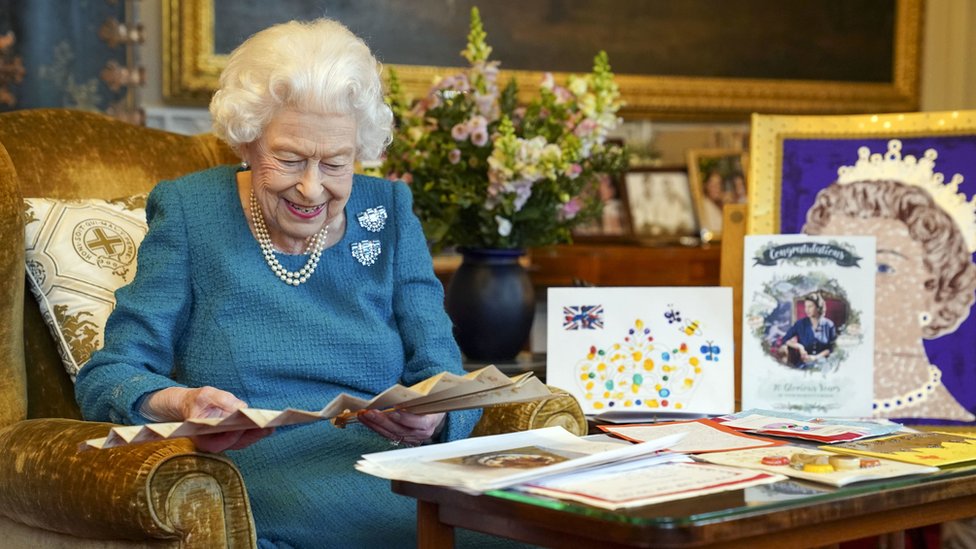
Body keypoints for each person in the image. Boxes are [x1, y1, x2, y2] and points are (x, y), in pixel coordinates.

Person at [74, 19, 484, 548]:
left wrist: (434, 418)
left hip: (394, 467)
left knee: (539, 524)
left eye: (336, 163)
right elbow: (109, 376)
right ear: (246, 141)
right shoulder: (190, 211)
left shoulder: (390, 211)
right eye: (289, 159)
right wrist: (180, 403)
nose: (312, 188)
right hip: (266, 477)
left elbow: (445, 369)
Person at [803, 143, 975, 422]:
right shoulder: (789, 409)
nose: (848, 288)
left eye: (882, 267)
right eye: (834, 264)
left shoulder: (954, 425)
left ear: (934, 289)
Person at [777, 293, 836, 367]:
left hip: (824, 363)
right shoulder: (800, 324)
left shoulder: (829, 325)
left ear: (818, 307)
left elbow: (832, 348)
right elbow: (785, 339)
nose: (806, 310)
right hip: (804, 364)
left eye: (810, 306)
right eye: (805, 306)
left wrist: (815, 357)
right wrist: (799, 346)